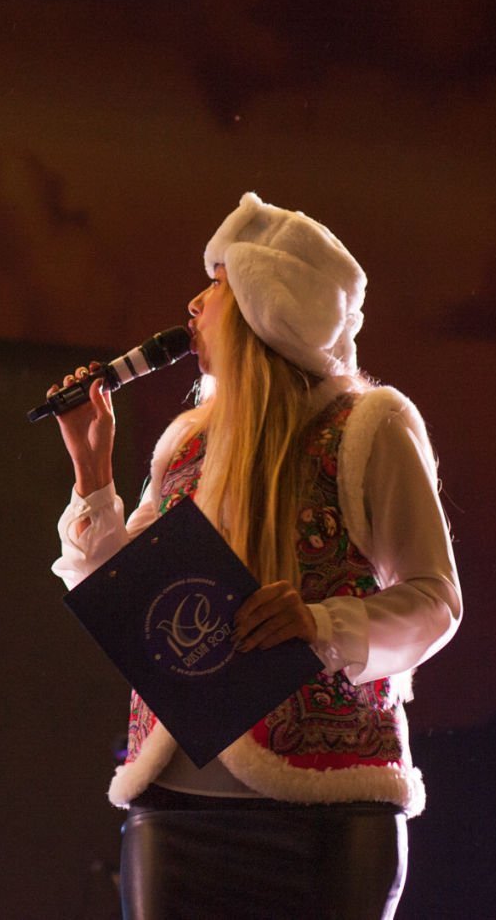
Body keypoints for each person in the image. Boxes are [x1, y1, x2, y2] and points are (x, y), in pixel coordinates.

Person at [48, 193, 461, 919]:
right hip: (174, 811)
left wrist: (322, 624)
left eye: (215, 284)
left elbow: (435, 599)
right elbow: (127, 595)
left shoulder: (369, 426)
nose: (193, 303)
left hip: (329, 816)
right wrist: (92, 473)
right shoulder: (186, 443)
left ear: (263, 303)